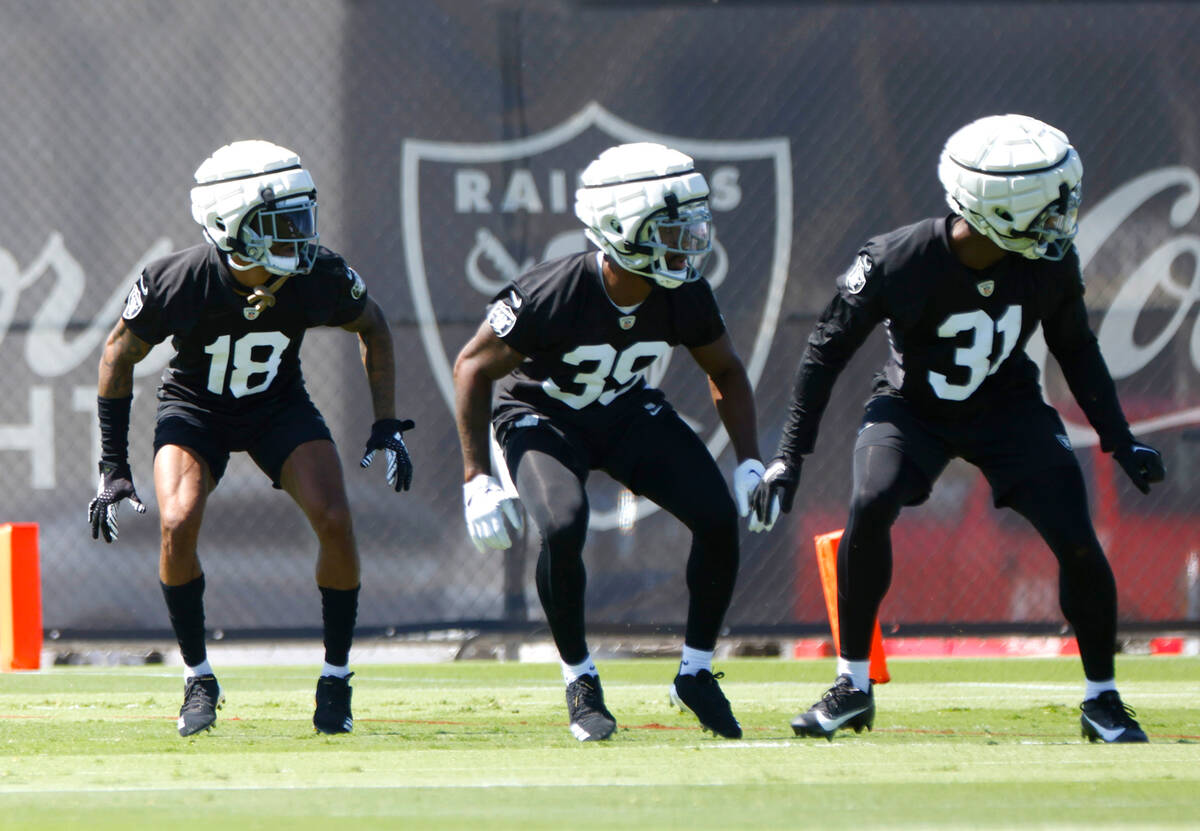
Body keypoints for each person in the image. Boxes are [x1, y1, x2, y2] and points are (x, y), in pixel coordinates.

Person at [751, 114, 1164, 744]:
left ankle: (1102, 699)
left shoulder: (1047, 262)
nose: (1062, 220)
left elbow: (1076, 348)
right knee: (870, 502)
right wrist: (789, 455)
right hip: (913, 406)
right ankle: (852, 684)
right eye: (1049, 206)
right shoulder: (896, 259)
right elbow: (823, 352)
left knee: (1077, 534)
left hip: (1008, 406)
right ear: (1000, 209)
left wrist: (1119, 437)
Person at [88, 139, 415, 737]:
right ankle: (198, 676)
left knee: (336, 519)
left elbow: (372, 324)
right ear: (229, 224)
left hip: (276, 405)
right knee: (177, 520)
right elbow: (117, 353)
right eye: (280, 221)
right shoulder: (178, 279)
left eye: (301, 215)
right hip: (195, 408)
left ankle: (336, 678)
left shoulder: (317, 275)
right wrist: (113, 465)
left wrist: (386, 423)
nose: (300, 233)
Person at [453, 142, 770, 741]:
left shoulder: (682, 292)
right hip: (542, 416)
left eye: (693, 226)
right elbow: (473, 367)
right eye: (672, 229)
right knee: (564, 524)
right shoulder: (552, 292)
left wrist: (750, 460)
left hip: (625, 411)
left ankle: (696, 673)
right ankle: (580, 678)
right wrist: (475, 478)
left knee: (716, 516)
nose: (690, 242)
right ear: (621, 230)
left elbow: (724, 368)